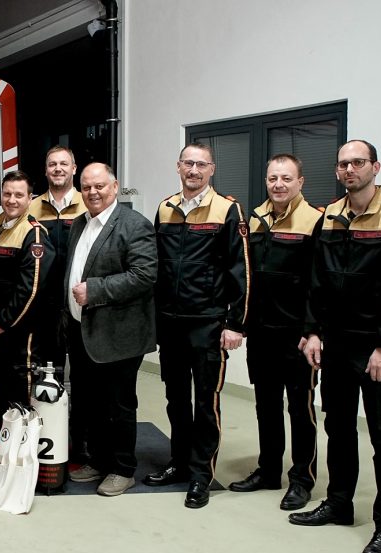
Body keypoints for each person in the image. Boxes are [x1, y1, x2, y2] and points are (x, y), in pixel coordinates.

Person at [291, 140, 381, 553]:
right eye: (343, 164)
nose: (350, 169)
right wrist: (312, 332)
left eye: (358, 162)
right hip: (335, 344)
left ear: (375, 167)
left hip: (376, 346)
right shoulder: (330, 215)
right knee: (339, 426)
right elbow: (316, 280)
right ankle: (340, 503)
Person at [146, 143, 249, 509]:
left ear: (212, 169)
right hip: (171, 324)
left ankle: (202, 475)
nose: (194, 169)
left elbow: (240, 270)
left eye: (201, 164)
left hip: (208, 323)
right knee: (176, 400)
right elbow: (157, 267)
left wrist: (235, 323)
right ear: (178, 167)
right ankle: (179, 462)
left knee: (206, 403)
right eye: (188, 163)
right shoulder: (166, 208)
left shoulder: (227, 210)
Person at [228, 154, 322, 511]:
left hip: (296, 335)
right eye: (272, 178)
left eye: (286, 178)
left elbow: (319, 282)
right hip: (263, 332)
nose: (278, 184)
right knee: (266, 406)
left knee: (300, 409)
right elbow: (248, 275)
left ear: (301, 182)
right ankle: (268, 470)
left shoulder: (315, 220)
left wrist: (313, 330)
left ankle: (302, 479)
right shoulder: (255, 218)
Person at [65, 163, 157, 497]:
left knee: (118, 405)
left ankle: (122, 469)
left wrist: (96, 290)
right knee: (90, 403)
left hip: (119, 335)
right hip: (83, 332)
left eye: (99, 186)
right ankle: (100, 460)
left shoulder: (134, 225)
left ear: (115, 187)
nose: (92, 192)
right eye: (86, 187)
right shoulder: (80, 224)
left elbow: (144, 275)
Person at [27, 145, 89, 460]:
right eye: (52, 164)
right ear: (46, 169)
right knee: (46, 373)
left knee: (82, 377)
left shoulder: (88, 203)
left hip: (80, 306)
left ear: (74, 168)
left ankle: (80, 444)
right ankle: (45, 436)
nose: (58, 169)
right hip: (44, 307)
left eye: (64, 163)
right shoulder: (32, 207)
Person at [0, 170, 55, 422]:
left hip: (22, 331)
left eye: (19, 195)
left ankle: (24, 450)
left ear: (30, 198)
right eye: (7, 193)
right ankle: (6, 441)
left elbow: (30, 288)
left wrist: (3, 321)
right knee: (1, 389)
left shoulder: (34, 234)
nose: (12, 200)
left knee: (20, 392)